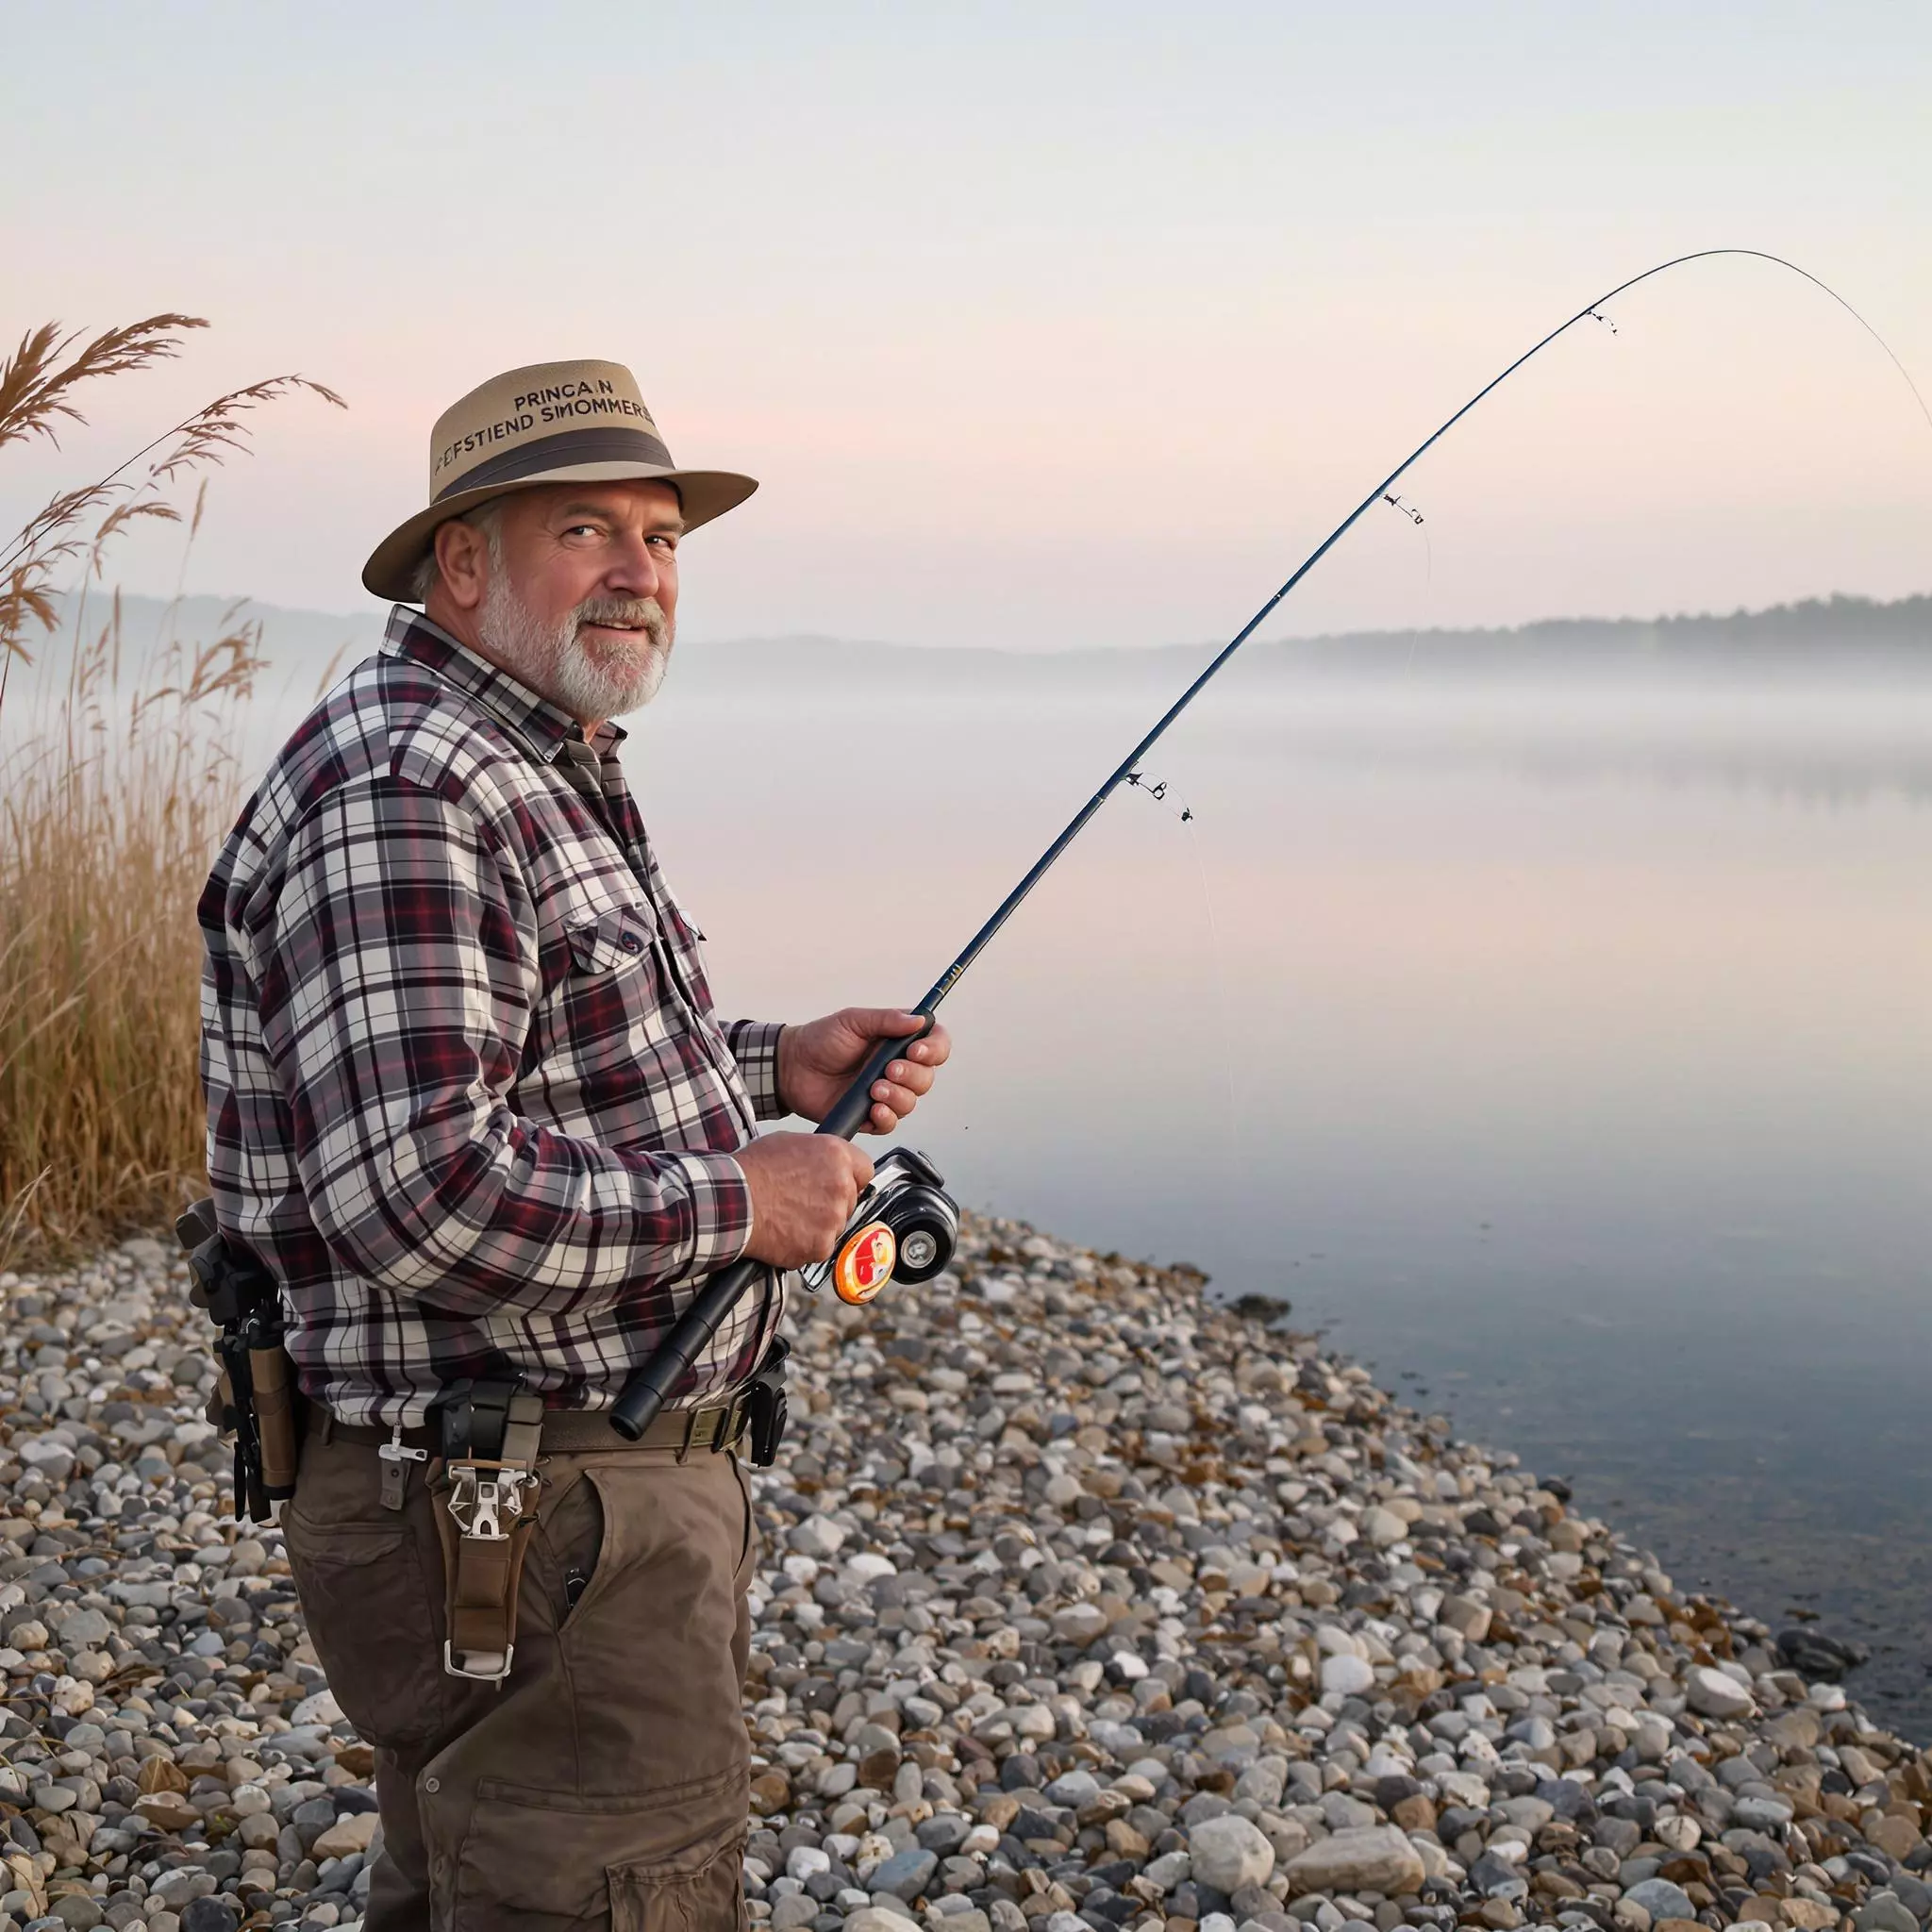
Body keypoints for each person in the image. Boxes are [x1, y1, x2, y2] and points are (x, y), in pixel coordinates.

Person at [197, 359, 951, 1929]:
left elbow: (539, 1055)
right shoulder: (414, 781)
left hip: (541, 1499)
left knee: (480, 1875)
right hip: (531, 1505)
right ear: (461, 562)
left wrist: (773, 1059)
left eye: (663, 537)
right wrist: (742, 1200)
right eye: (587, 530)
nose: (641, 572)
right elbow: (421, 1192)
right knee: (604, 1887)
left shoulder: (537, 753)